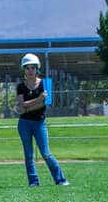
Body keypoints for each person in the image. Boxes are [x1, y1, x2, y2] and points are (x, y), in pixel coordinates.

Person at [15, 53, 68, 187]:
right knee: (28, 154)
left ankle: (60, 179)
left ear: (37, 68)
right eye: (27, 68)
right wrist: (38, 99)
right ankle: (33, 181)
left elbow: (45, 104)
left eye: (33, 67)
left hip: (40, 122)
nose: (30, 70)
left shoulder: (46, 83)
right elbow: (22, 105)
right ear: (24, 69)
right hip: (24, 124)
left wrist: (27, 106)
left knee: (46, 153)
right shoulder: (20, 86)